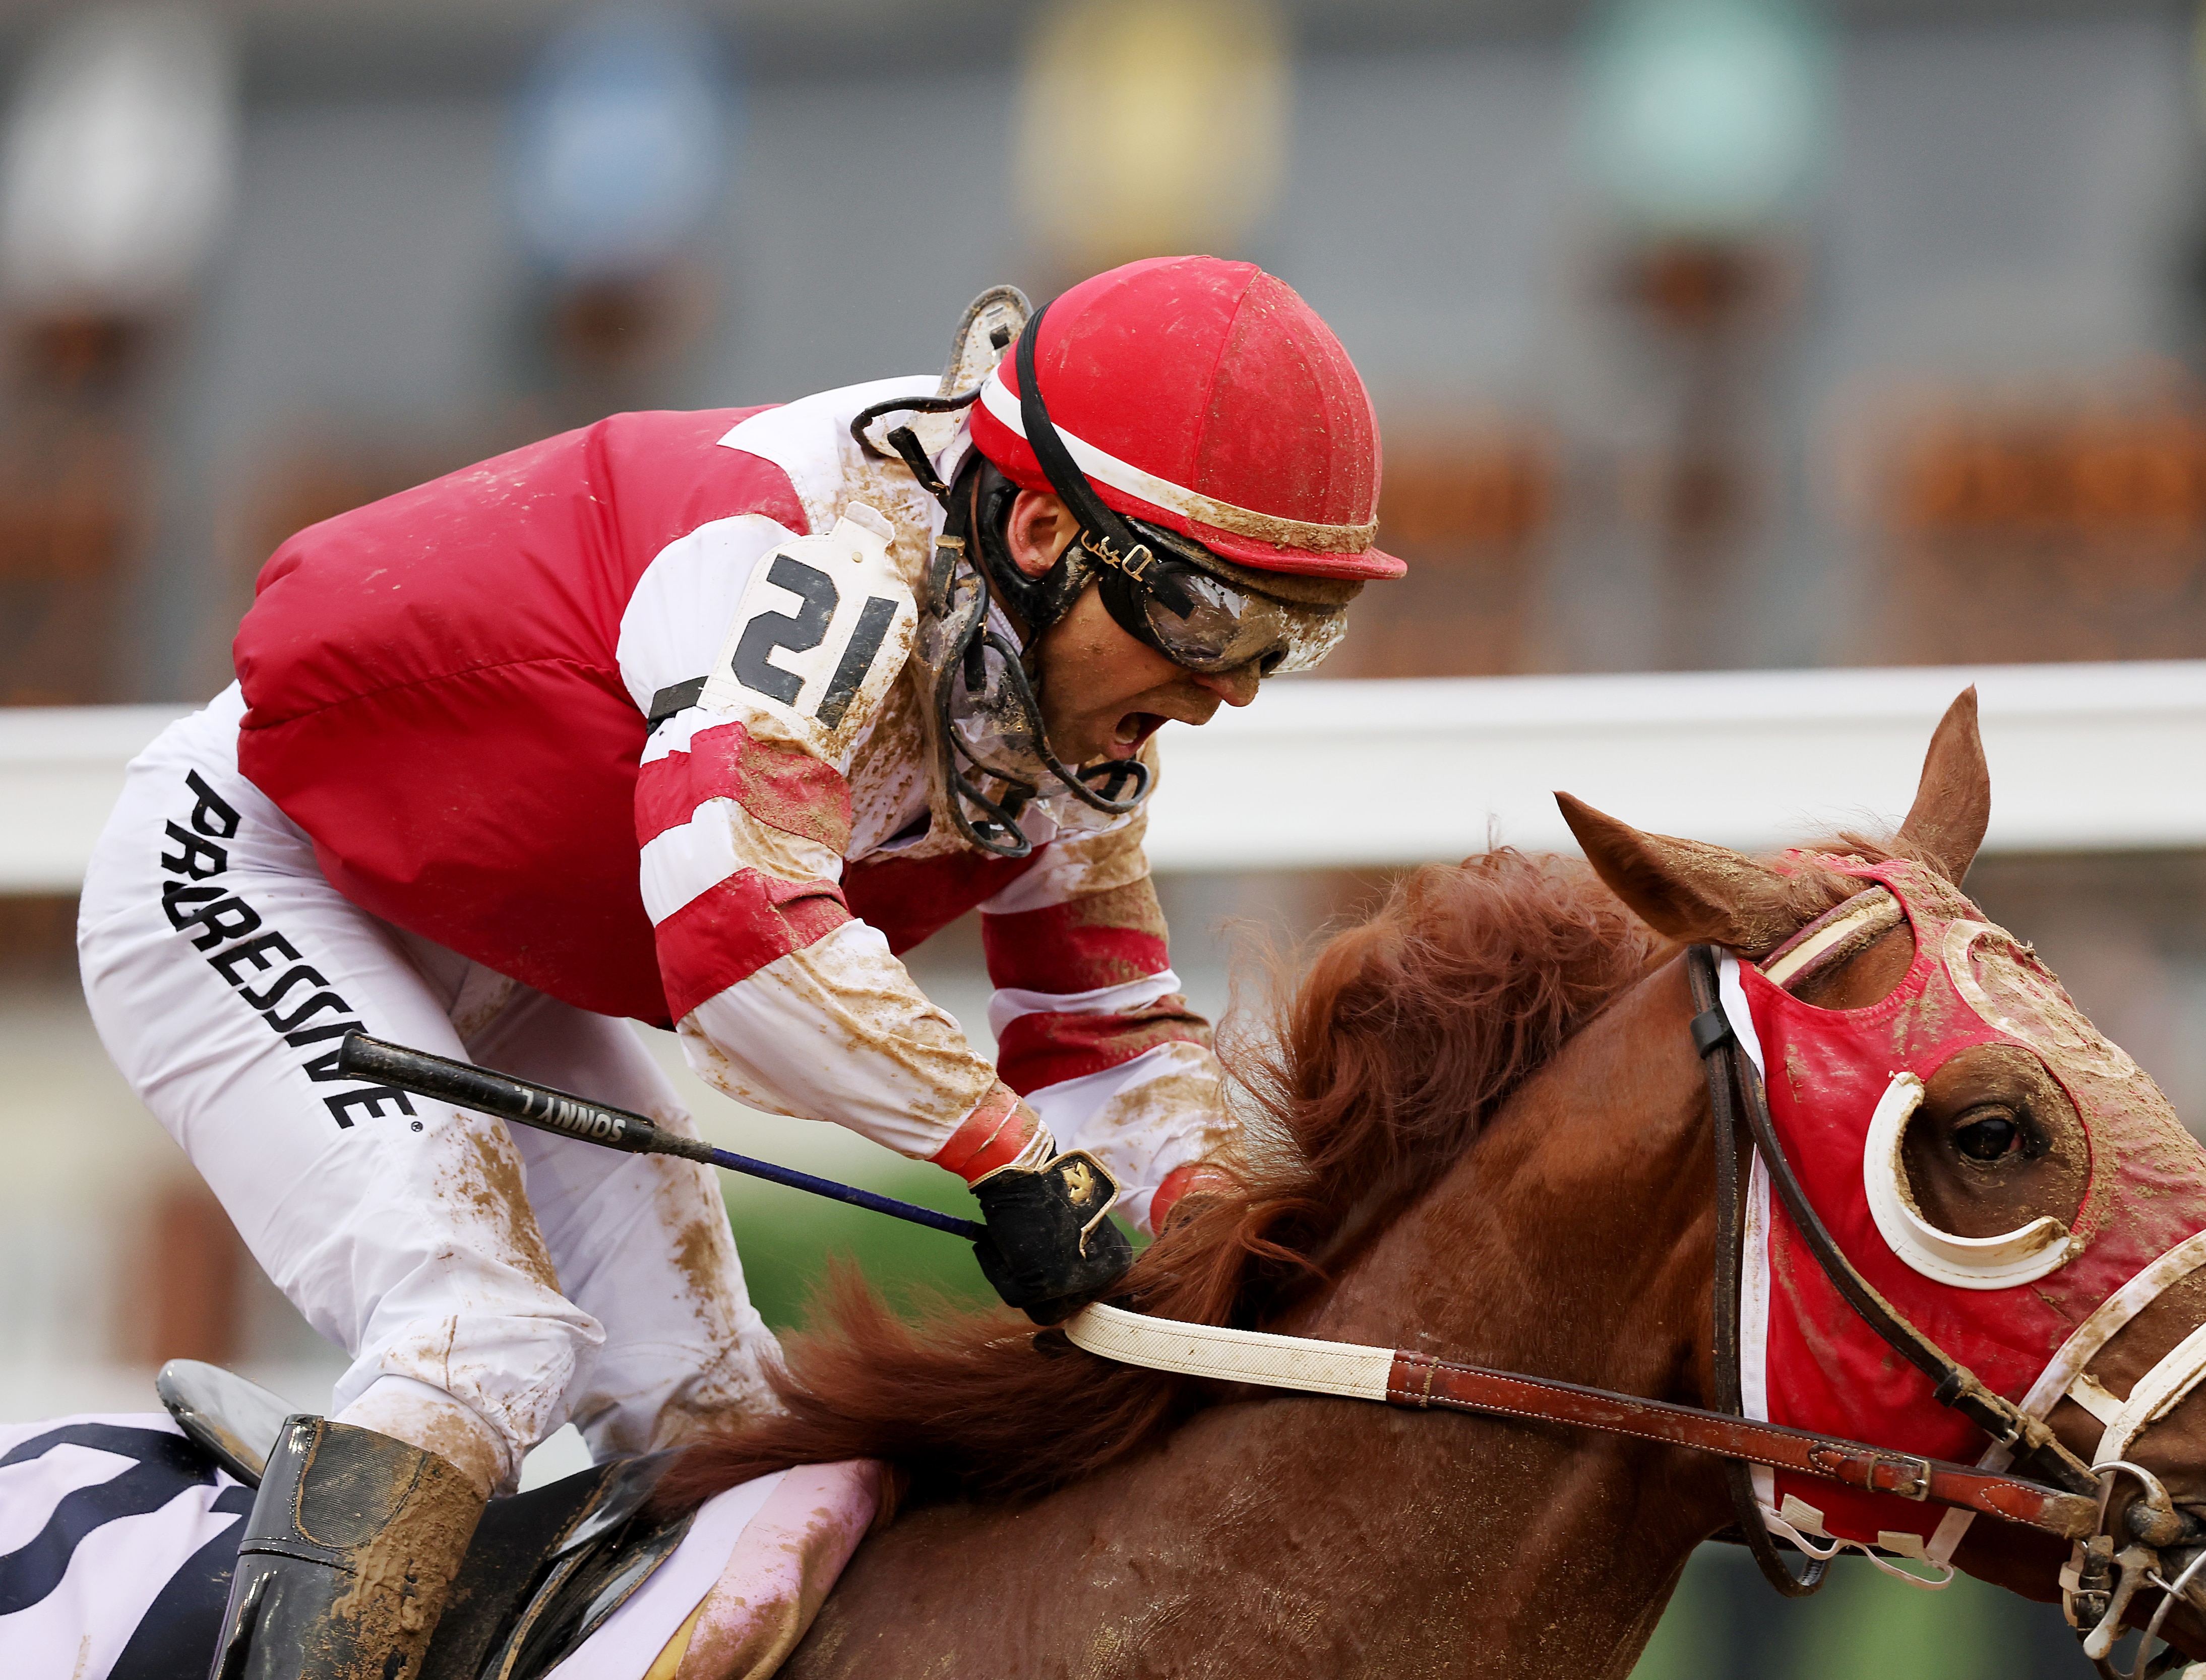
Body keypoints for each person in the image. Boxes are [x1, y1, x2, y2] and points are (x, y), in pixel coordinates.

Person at [75, 254, 1400, 1678]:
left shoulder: (1068, 712)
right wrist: (1008, 1157)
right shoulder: (820, 554)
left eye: (1291, 635)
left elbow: (1105, 1036)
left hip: (491, 946)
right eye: (1207, 618)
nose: (1232, 690)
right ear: (1033, 527)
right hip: (247, 865)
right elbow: (738, 934)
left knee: (730, 1432)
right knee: (481, 1336)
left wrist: (1226, 1247)